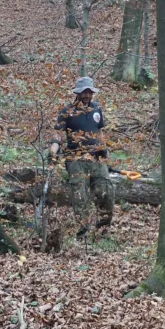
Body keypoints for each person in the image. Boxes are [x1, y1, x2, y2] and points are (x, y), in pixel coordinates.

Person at [50, 76, 114, 233]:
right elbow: (58, 134)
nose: (87, 95)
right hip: (75, 158)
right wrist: (53, 151)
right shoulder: (67, 111)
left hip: (96, 157)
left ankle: (103, 228)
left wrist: (104, 151)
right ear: (77, 93)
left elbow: (99, 131)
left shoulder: (96, 109)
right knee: (80, 196)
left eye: (89, 92)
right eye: (84, 92)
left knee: (104, 191)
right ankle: (83, 230)